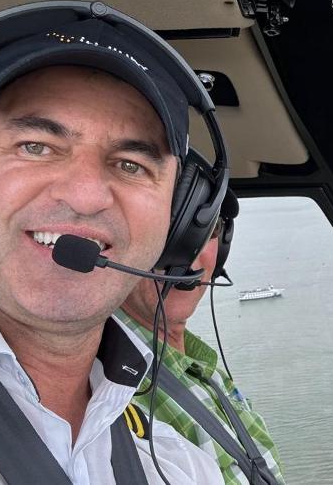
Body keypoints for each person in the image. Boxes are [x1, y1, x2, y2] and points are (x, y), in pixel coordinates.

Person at [0, 7, 227, 484]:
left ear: (180, 220)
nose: (84, 196)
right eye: (35, 146)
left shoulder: (182, 468)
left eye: (131, 165)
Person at [118, 196, 285, 484]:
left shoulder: (201, 368)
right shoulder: (114, 393)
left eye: (208, 229)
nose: (189, 262)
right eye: (167, 231)